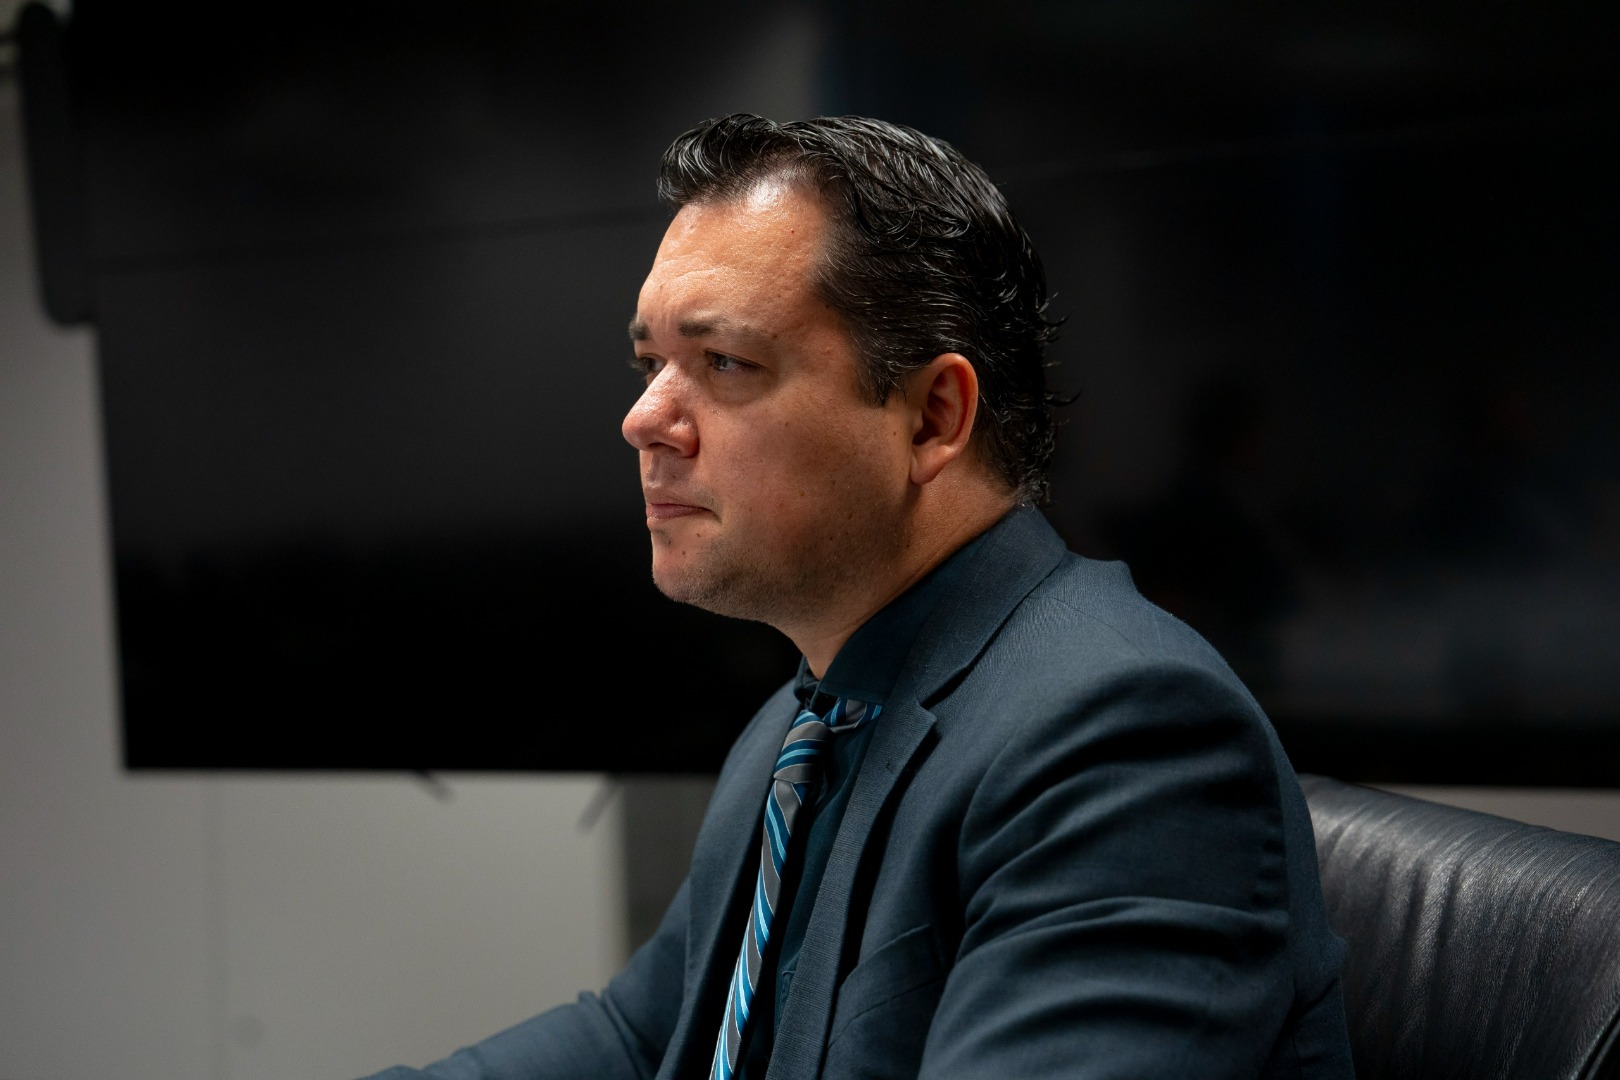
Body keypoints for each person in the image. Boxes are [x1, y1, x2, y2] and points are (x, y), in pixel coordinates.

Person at [364, 114, 1354, 1080]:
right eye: (651, 364)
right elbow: (641, 1040)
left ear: (931, 418)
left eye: (724, 362)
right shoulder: (803, 723)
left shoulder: (1123, 739)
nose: (644, 419)